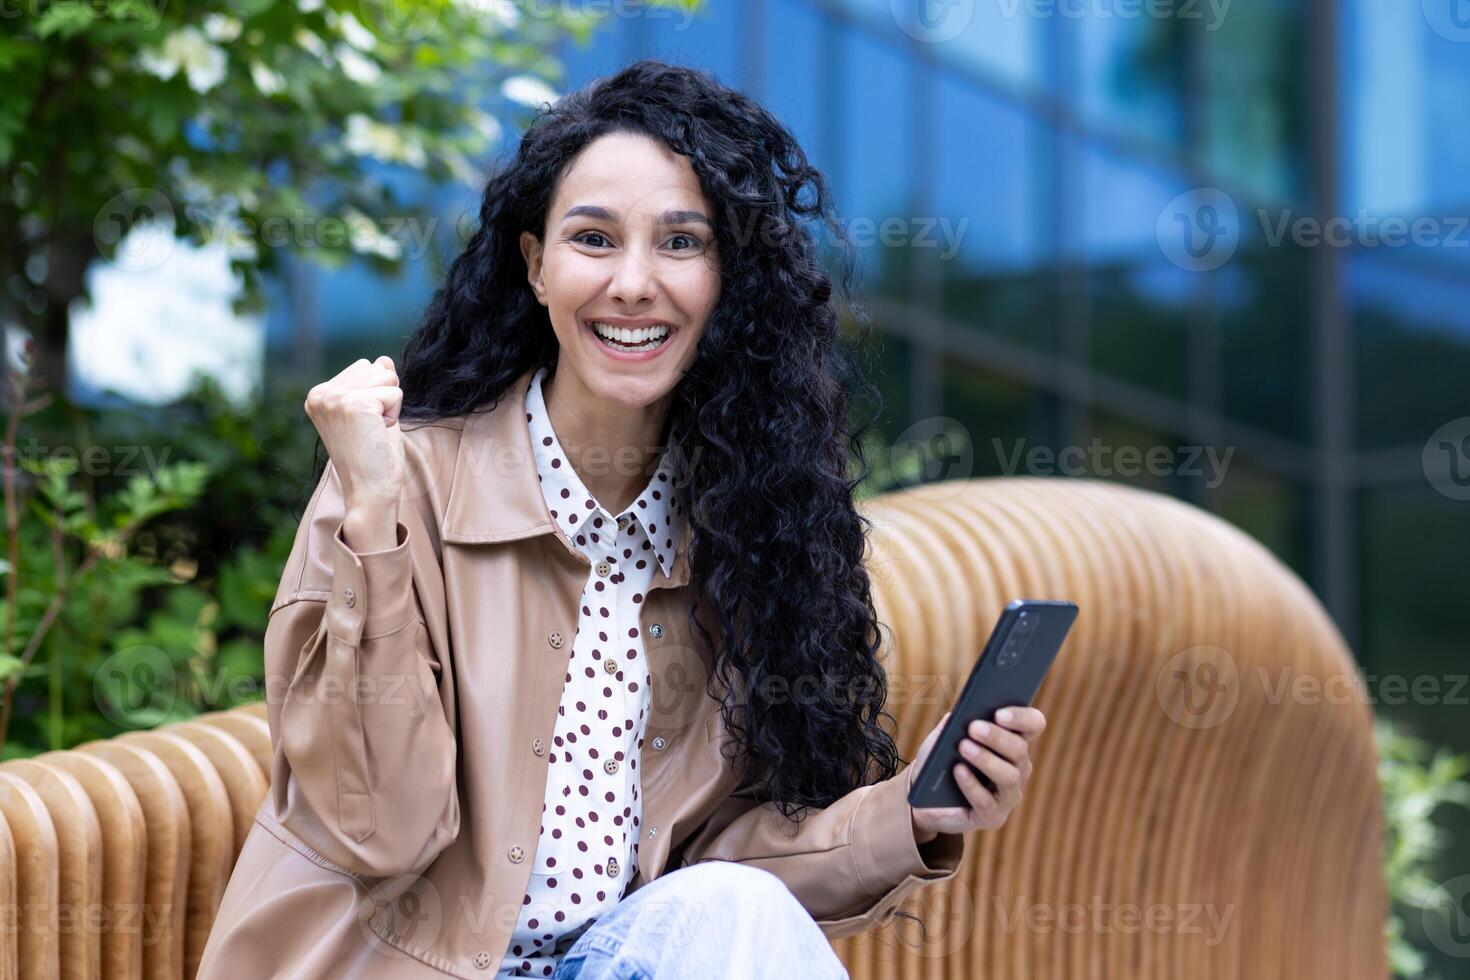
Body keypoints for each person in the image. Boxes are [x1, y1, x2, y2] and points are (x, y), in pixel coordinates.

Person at [198, 59, 1046, 979]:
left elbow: (708, 883)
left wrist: (913, 814)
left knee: (737, 906)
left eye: (681, 243)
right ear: (536, 266)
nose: (635, 283)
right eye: (594, 239)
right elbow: (378, 825)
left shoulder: (736, 523)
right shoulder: (398, 484)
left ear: (729, 278)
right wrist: (371, 516)